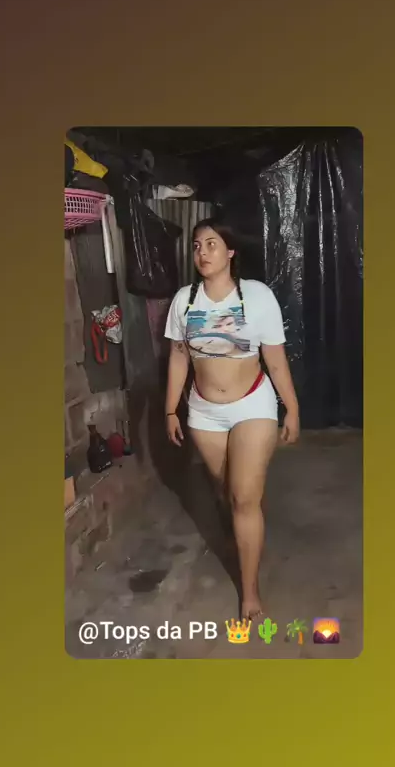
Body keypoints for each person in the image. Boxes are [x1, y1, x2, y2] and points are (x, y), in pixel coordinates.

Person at [164, 218, 300, 620]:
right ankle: (247, 520)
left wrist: (292, 408)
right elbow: (178, 357)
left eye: (211, 244)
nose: (202, 252)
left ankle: (250, 592)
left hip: (252, 405)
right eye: (196, 246)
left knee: (243, 497)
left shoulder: (256, 296)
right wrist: (170, 409)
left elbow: (275, 359)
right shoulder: (184, 300)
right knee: (228, 490)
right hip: (204, 412)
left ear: (230, 251)